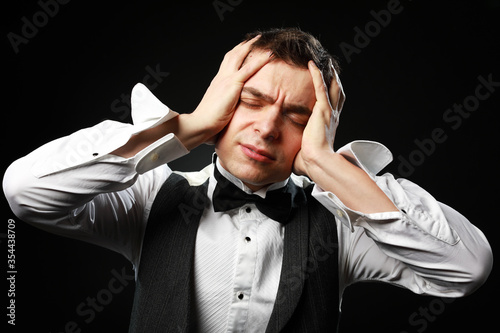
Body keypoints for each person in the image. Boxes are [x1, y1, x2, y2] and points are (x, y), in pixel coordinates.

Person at [3, 28, 493, 332]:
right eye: (251, 100)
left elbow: (466, 269)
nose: (266, 126)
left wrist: (326, 165)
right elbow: (25, 191)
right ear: (222, 99)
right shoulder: (151, 199)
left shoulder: (344, 228)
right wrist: (187, 128)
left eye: (298, 116)